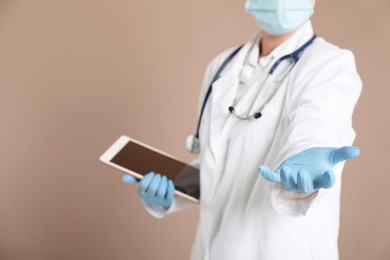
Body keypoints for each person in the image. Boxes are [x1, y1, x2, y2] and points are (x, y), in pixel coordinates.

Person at [122, 0, 362, 259]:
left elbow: (319, 124)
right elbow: (221, 164)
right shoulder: (222, 66)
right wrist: (172, 192)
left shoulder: (329, 63)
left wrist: (307, 157)